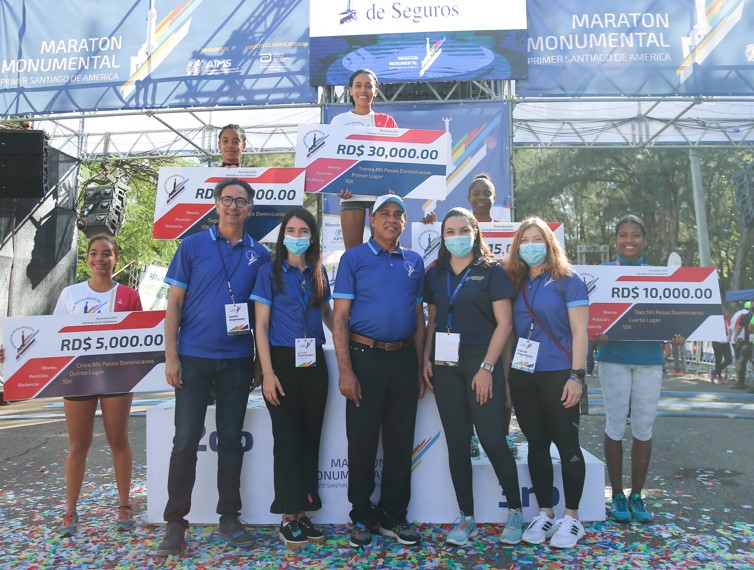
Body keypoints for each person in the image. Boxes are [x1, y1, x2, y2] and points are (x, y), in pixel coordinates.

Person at [155, 178, 271, 556]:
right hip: (193, 358)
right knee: (185, 441)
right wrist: (171, 356)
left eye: (240, 201)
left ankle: (229, 517)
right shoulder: (192, 246)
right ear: (216, 205)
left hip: (237, 361)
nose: (233, 206)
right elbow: (173, 305)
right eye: (227, 200)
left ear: (250, 209)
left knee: (232, 439)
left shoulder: (261, 254)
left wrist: (258, 359)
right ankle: (175, 523)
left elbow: (261, 315)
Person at [422, 208, 523, 545]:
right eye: (449, 231)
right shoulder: (435, 272)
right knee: (456, 442)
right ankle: (466, 517)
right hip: (445, 364)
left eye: (463, 230)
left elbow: (505, 324)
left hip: (482, 361)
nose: (456, 237)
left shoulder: (492, 271)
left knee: (493, 439)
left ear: (475, 232)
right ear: (443, 236)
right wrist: (426, 358)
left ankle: (515, 513)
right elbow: (433, 321)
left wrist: (487, 368)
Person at [332, 194, 426, 547]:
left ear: (405, 222)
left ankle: (394, 517)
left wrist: (417, 369)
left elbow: (418, 318)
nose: (391, 219)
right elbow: (340, 317)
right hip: (363, 358)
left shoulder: (414, 261)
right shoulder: (353, 259)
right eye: (384, 213)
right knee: (362, 442)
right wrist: (346, 370)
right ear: (372, 221)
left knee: (401, 443)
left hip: (403, 360)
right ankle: (361, 516)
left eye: (398, 214)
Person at [251, 208, 333, 549]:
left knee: (311, 439)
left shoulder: (318, 271)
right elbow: (262, 325)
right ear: (283, 233)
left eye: (303, 231)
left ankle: (304, 513)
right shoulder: (268, 272)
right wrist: (267, 373)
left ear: (312, 237)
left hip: (314, 362)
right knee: (287, 440)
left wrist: (352, 337)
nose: (297, 236)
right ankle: (287, 517)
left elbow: (328, 314)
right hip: (282, 362)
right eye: (292, 230)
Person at [505, 216, 589, 549]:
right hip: (525, 375)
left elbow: (581, 332)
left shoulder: (569, 279)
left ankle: (572, 518)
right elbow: (511, 331)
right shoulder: (516, 281)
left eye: (537, 239)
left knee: (567, 445)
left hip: (560, 374)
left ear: (550, 243)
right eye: (524, 240)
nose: (530, 245)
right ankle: (545, 512)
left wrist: (577, 376)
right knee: (536, 445)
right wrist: (510, 379)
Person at [593, 215, 683, 524]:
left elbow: (672, 319)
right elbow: (589, 318)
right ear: (615, 240)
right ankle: (617, 494)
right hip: (613, 358)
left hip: (649, 361)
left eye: (635, 235)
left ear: (644, 239)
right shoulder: (601, 275)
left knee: (644, 428)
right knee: (615, 426)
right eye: (622, 235)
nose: (628, 240)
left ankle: (637, 496)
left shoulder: (658, 275)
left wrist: (677, 334)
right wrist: (596, 332)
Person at [53, 235, 142, 537]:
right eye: (94, 253)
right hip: (78, 375)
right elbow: (50, 337)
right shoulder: (69, 294)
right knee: (78, 444)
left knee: (118, 440)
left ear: (116, 259)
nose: (99, 259)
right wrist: (11, 355)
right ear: (87, 258)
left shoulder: (129, 295)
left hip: (117, 375)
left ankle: (124, 505)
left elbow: (142, 337)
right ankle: (70, 511)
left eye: (107, 254)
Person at [330, 69, 398, 250]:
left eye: (369, 86)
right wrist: (338, 186)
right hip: (351, 195)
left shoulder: (387, 121)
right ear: (350, 90)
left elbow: (395, 159)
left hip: (381, 195)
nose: (363, 91)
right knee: (353, 254)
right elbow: (333, 160)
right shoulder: (339, 121)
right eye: (358, 86)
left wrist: (394, 184)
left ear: (376, 91)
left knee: (385, 251)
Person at [732, 301, 754, 391]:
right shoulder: (745, 316)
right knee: (742, 362)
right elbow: (739, 327)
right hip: (747, 342)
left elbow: (749, 327)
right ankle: (741, 382)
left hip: (751, 343)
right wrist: (735, 336)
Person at [710, 307, 733, 383]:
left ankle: (715, 372)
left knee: (729, 360)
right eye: (726, 312)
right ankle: (719, 377)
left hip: (726, 343)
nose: (728, 314)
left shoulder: (729, 320)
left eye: (728, 313)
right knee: (718, 360)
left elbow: (731, 329)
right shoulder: (717, 320)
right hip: (717, 342)